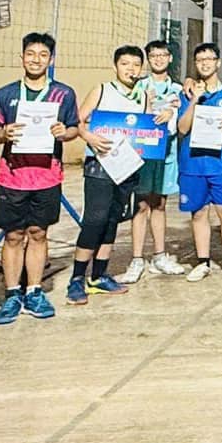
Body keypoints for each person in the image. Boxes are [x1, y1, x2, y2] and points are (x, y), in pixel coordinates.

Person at [0, 31, 80, 324]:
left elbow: (74, 128)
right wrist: (4, 133)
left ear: (51, 60)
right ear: (22, 57)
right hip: (13, 176)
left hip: (47, 177)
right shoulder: (5, 94)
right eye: (30, 54)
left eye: (42, 55)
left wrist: (65, 133)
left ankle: (34, 291)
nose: (36, 60)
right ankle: (12, 293)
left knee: (39, 233)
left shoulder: (63, 94)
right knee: (14, 235)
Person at [71, 45, 149, 302]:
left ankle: (99, 275)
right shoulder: (102, 90)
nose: (131, 69)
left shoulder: (143, 96)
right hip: (100, 165)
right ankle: (77, 278)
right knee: (95, 220)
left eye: (136, 64)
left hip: (127, 166)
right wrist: (89, 137)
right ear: (115, 66)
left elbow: (147, 129)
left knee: (113, 219)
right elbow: (77, 121)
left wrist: (165, 115)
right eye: (125, 64)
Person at [176, 41, 222, 280]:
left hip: (221, 163)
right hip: (193, 164)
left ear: (218, 63)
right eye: (200, 60)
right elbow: (182, 128)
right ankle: (202, 262)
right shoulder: (187, 93)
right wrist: (195, 100)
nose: (205, 63)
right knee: (198, 213)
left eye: (209, 59)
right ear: (195, 64)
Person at [120, 39, 184, 282]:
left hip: (166, 154)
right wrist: (147, 104)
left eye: (163, 55)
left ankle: (160, 255)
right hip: (142, 155)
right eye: (154, 55)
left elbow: (182, 122)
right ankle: (137, 259)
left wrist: (172, 113)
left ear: (170, 58)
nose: (158, 59)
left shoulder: (178, 89)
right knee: (140, 205)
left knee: (159, 204)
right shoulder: (138, 86)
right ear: (148, 59)